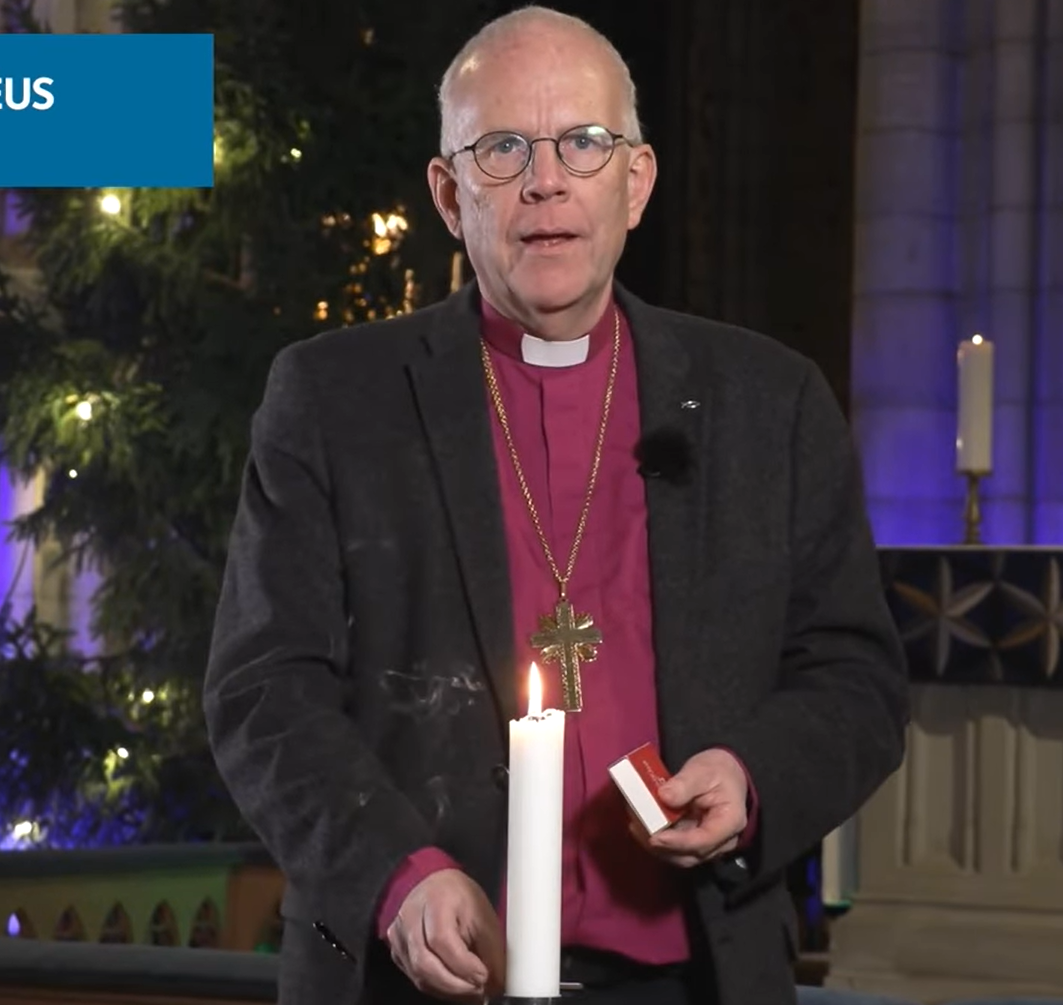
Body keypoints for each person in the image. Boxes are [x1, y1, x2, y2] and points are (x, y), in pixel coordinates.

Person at [204, 7, 909, 1005]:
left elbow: (855, 675)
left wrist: (751, 777)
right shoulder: (333, 400)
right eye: (502, 149)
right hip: (425, 974)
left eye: (583, 143)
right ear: (449, 196)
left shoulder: (769, 402)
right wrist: (398, 874)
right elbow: (262, 690)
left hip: (692, 977)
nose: (545, 181)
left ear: (637, 182)